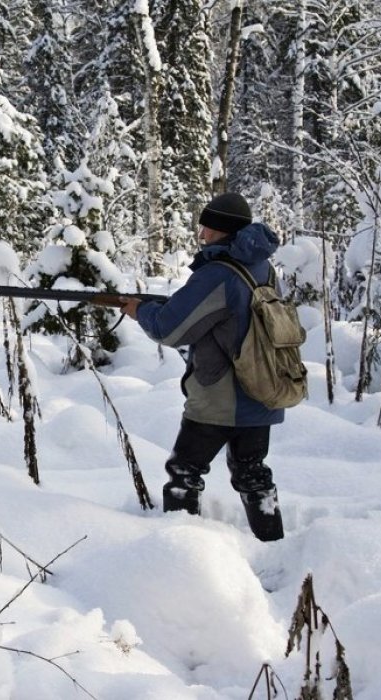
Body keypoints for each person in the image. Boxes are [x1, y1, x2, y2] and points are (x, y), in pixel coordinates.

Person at [119, 192, 285, 541]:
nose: (201, 233)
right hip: (262, 392)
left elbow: (169, 329)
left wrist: (139, 311)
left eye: (207, 226)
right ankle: (272, 545)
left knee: (184, 473)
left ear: (222, 229)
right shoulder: (262, 266)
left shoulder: (217, 274)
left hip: (219, 397)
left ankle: (182, 552)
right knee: (252, 472)